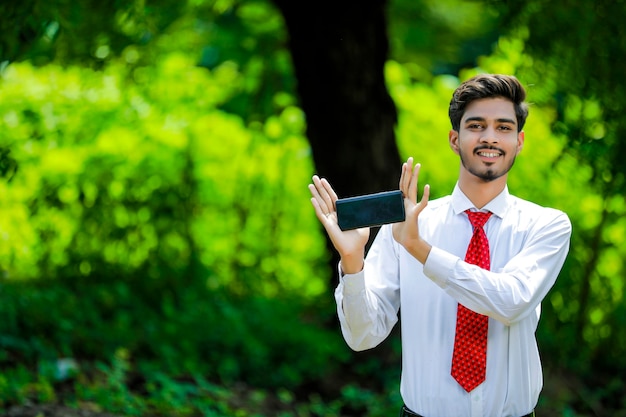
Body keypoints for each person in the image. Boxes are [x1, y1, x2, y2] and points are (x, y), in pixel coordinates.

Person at [308, 74, 571, 417]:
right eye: (476, 125)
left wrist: (420, 250)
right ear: (454, 138)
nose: (489, 137)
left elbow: (511, 301)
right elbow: (363, 336)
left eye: (503, 128)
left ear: (519, 141)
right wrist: (353, 262)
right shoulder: (406, 225)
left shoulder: (546, 226)